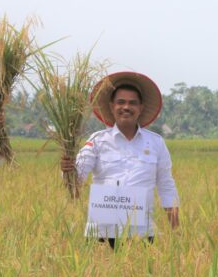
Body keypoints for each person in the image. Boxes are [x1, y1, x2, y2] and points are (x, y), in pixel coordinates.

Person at [61, 72, 179, 248]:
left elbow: (166, 186)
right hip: (101, 234)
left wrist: (176, 231)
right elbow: (76, 183)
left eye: (132, 103)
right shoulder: (97, 141)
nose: (126, 107)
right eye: (121, 102)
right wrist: (67, 171)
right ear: (111, 106)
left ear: (141, 107)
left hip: (142, 234)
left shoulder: (156, 143)